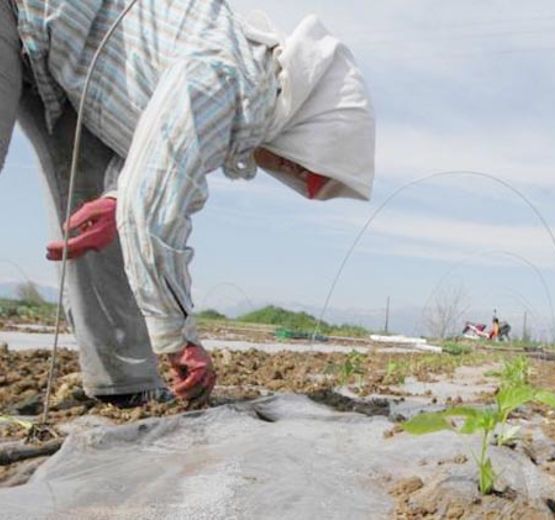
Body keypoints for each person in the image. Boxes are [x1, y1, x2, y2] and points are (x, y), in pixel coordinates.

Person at [1, 1, 375, 405]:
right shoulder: (230, 79)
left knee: (99, 219)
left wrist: (120, 198)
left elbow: (148, 155)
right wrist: (180, 342)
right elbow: (154, 212)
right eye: (302, 171)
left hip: (60, 57)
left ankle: (125, 389)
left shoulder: (241, 107)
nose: (287, 173)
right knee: (136, 217)